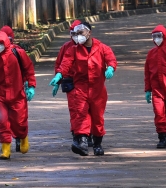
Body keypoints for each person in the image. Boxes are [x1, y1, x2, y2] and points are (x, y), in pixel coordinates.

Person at [49, 22, 117, 156]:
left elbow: (111, 59)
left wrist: (110, 68)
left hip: (97, 89)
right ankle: (82, 141)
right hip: (80, 88)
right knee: (81, 114)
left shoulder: (102, 48)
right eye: (76, 33)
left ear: (89, 33)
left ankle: (97, 144)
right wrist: (59, 75)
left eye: (81, 33)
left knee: (97, 118)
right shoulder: (72, 49)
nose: (78, 36)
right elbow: (65, 63)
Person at [0, 30, 36, 160]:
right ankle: (5, 149)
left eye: (1, 44)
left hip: (17, 94)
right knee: (2, 122)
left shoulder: (18, 53)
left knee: (20, 121)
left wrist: (31, 86)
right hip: (0, 95)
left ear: (7, 42)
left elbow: (29, 70)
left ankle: (23, 138)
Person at [51, 19, 94, 148]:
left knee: (89, 109)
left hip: (86, 82)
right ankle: (78, 133)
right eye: (72, 34)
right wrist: (57, 81)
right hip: (70, 82)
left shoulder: (89, 46)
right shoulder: (66, 47)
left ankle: (88, 134)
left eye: (77, 33)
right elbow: (60, 65)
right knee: (75, 110)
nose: (75, 36)